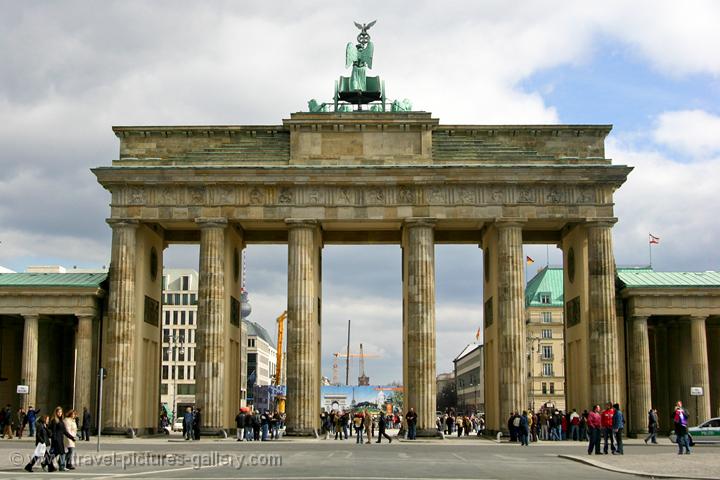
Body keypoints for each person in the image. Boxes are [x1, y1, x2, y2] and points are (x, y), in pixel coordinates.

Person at [49, 406, 75, 471]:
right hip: (56, 440)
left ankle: (45, 462)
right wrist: (54, 439)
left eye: (61, 412)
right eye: (58, 412)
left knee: (56, 453)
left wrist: (71, 437)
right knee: (62, 453)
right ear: (56, 412)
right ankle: (62, 467)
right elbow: (53, 431)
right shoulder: (54, 421)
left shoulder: (61, 421)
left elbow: (64, 431)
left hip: (60, 439)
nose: (60, 413)